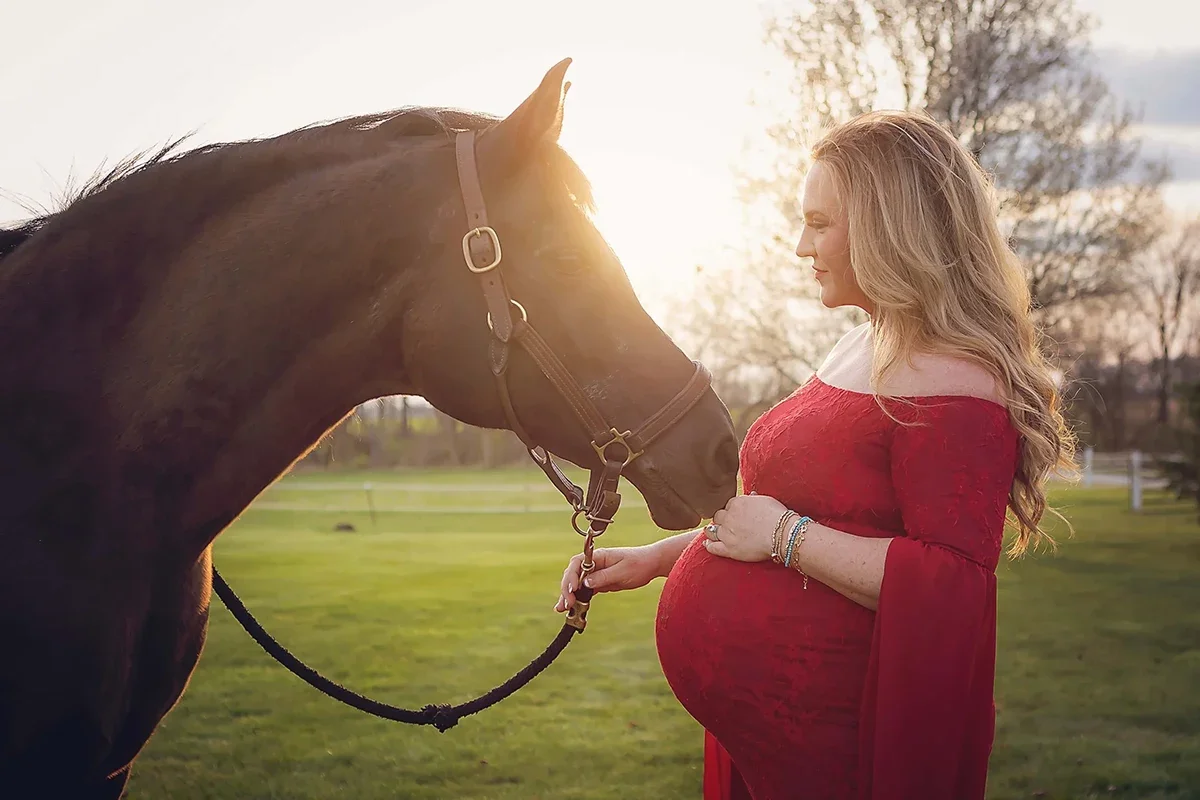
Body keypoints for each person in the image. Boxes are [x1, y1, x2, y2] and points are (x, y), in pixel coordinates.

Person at [556, 109, 1076, 799]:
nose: (802, 246)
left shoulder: (959, 380)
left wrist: (783, 535)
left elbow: (951, 582)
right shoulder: (861, 343)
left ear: (891, 226)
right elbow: (794, 518)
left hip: (839, 741)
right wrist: (657, 558)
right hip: (773, 742)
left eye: (820, 223)